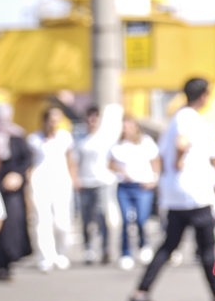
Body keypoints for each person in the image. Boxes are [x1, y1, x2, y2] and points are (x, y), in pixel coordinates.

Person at [128, 79, 215, 301]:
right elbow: (183, 143)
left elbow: (162, 152)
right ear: (202, 96)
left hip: (175, 194)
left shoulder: (175, 119)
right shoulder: (193, 121)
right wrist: (181, 159)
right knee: (205, 247)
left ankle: (141, 292)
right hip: (194, 193)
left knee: (169, 245)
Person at [0, 103, 32, 280]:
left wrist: (17, 175)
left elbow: (26, 159)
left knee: (11, 224)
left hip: (11, 188)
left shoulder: (16, 135)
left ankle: (5, 263)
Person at [28, 106, 78, 272]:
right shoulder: (34, 139)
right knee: (42, 220)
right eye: (51, 119)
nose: (54, 123)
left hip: (61, 179)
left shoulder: (65, 137)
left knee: (62, 221)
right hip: (41, 179)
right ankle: (44, 256)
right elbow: (29, 163)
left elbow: (71, 159)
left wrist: (73, 178)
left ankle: (60, 252)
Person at [110, 115, 161, 270]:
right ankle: (125, 253)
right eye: (124, 127)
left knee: (141, 219)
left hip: (142, 187)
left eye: (129, 126)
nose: (126, 130)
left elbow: (156, 161)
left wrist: (154, 179)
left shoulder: (146, 142)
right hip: (125, 187)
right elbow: (111, 164)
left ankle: (143, 243)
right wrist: (121, 171)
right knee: (126, 221)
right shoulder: (118, 145)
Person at [76, 105, 122, 265]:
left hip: (102, 181)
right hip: (85, 182)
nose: (92, 120)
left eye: (96, 117)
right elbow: (75, 161)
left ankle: (105, 249)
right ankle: (89, 249)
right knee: (86, 217)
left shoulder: (106, 138)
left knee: (102, 215)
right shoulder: (80, 139)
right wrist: (75, 179)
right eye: (90, 117)